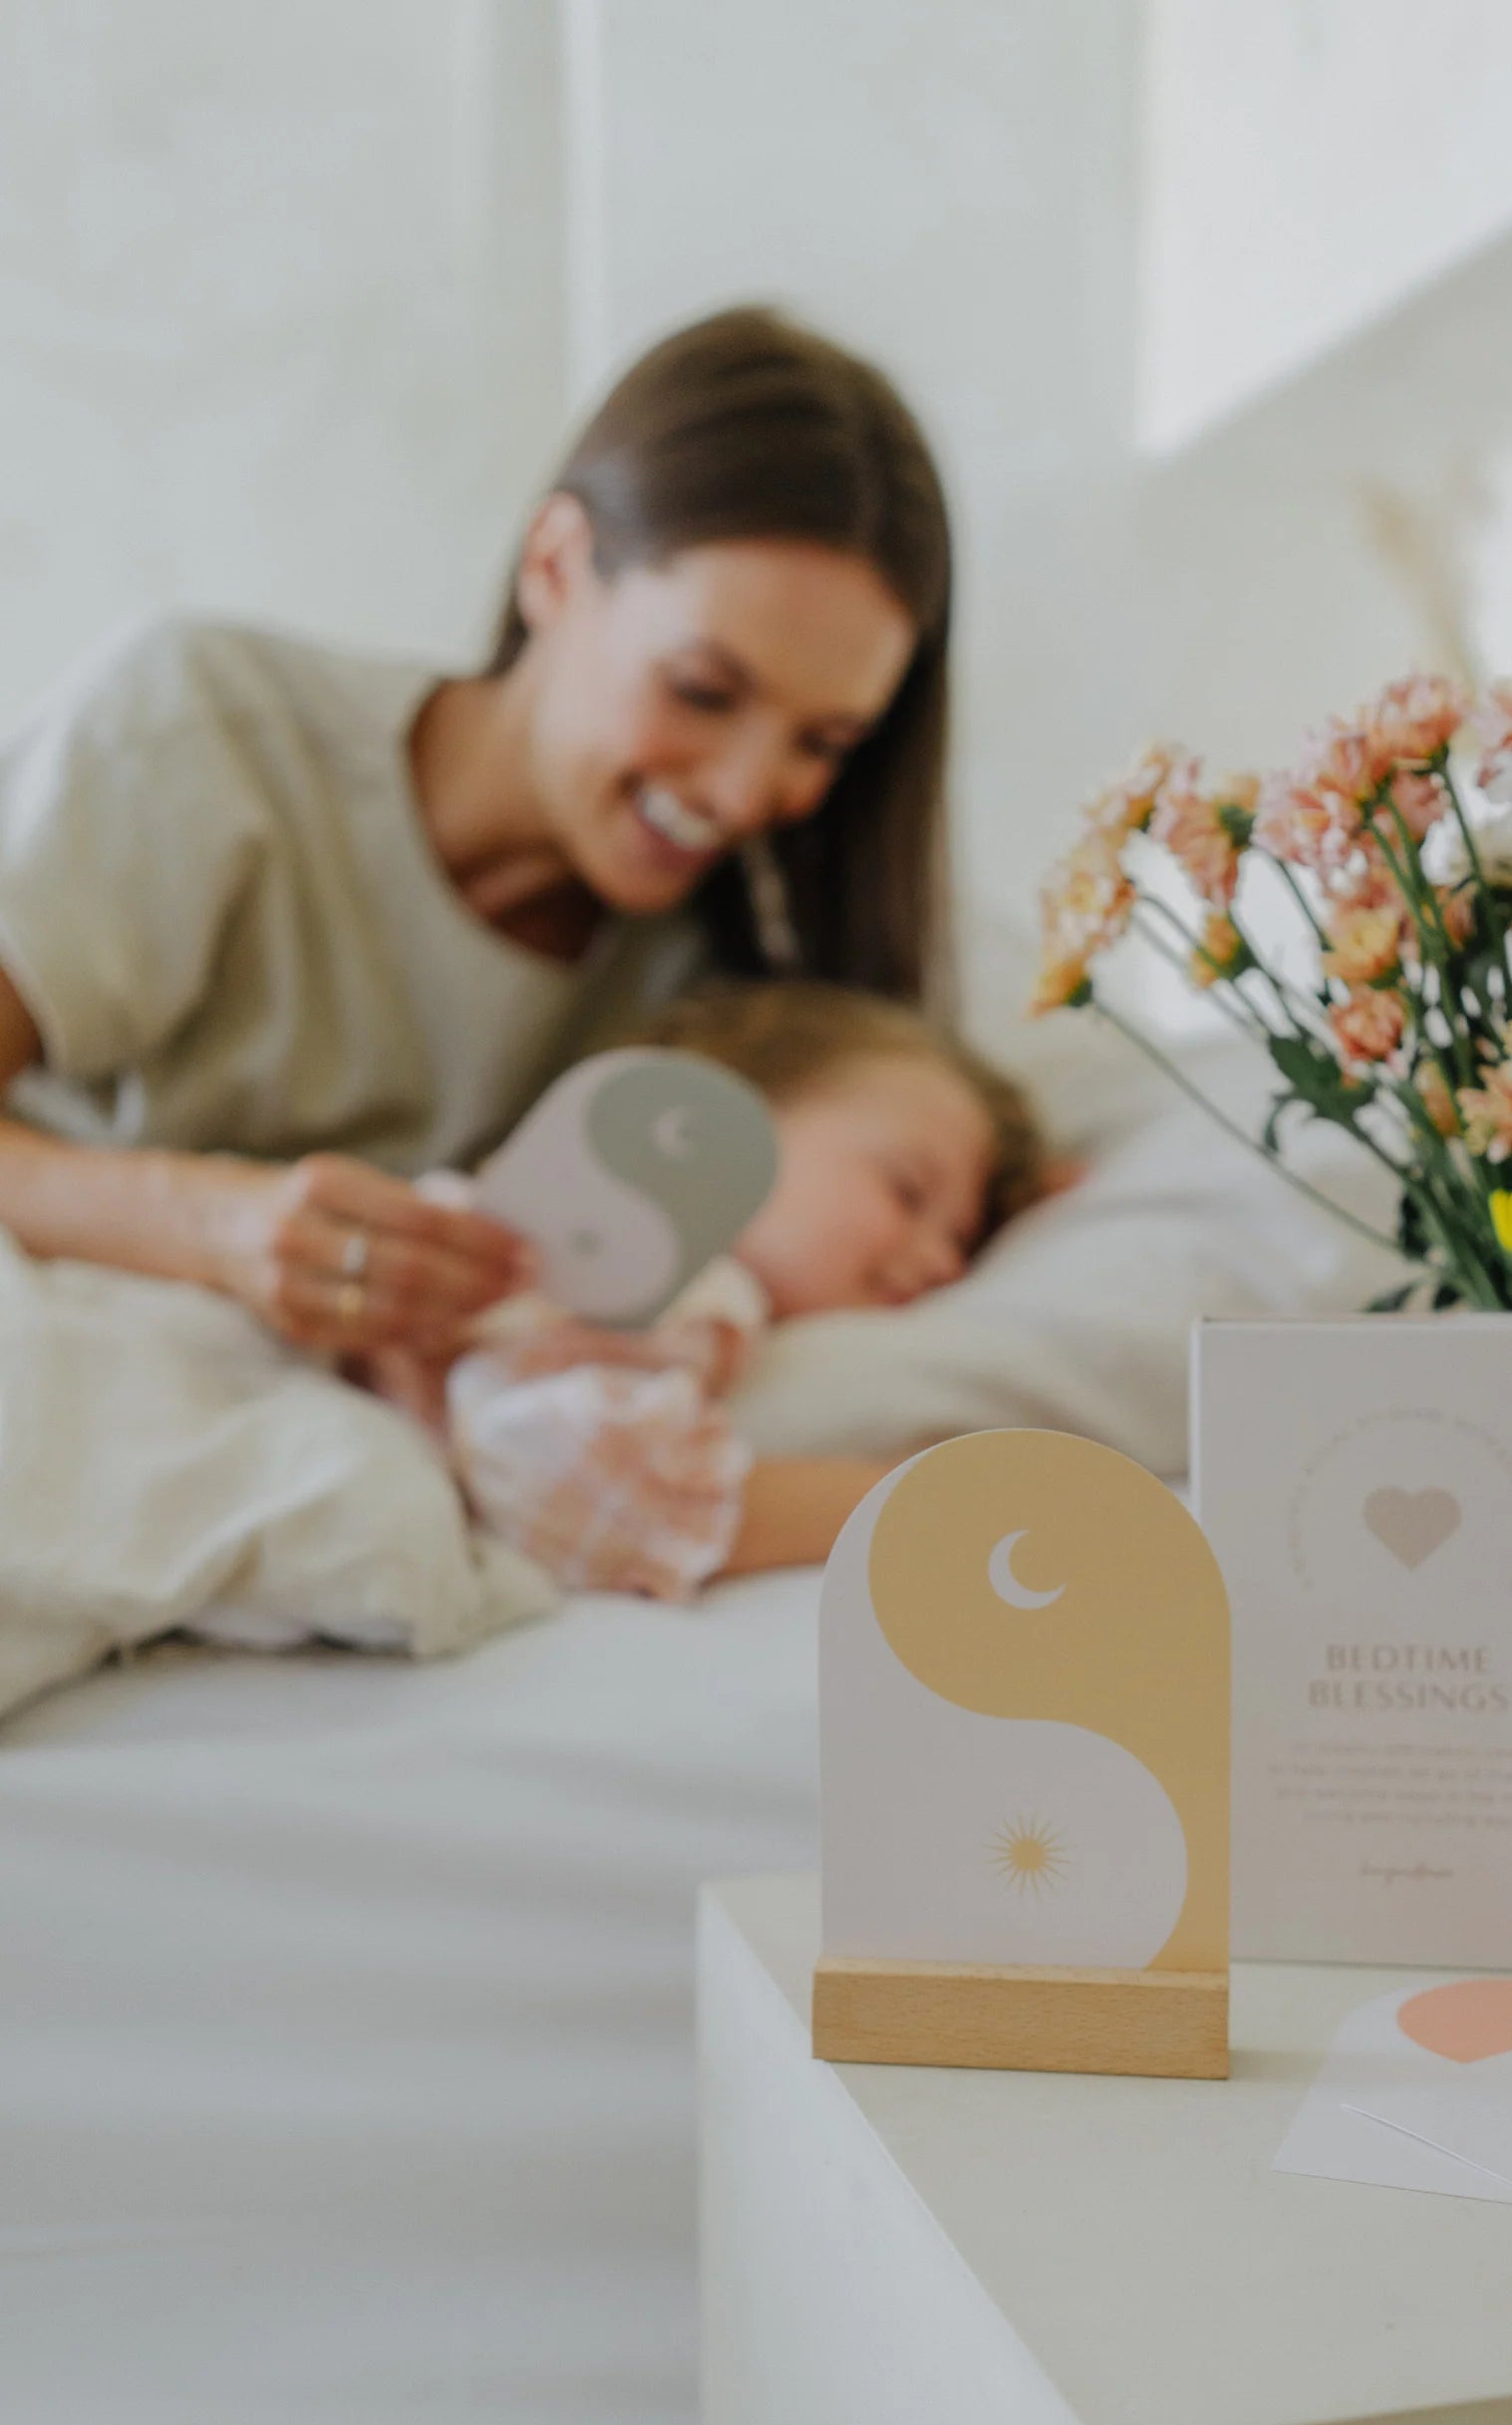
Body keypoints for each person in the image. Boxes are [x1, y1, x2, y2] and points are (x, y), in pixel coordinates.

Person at [0, 307, 953, 1382]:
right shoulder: (208, 731)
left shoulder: (720, 995)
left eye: (822, 744)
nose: (744, 794)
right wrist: (214, 1225)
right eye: (702, 690)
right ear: (555, 567)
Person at [443, 982, 1050, 1595]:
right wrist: (933, 1501)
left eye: (962, 1241)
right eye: (908, 1191)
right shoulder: (682, 1288)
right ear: (725, 1129)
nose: (945, 1264)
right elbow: (569, 1476)